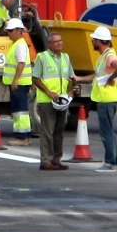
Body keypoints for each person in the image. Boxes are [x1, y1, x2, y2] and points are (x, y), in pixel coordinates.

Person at [30, 26, 76, 169]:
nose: (59, 44)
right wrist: (49, 92)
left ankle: (56, 159)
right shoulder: (42, 57)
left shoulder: (65, 57)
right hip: (47, 101)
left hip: (62, 101)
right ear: (49, 44)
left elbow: (71, 77)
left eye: (60, 41)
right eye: (56, 42)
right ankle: (46, 160)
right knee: (47, 132)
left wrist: (70, 92)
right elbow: (35, 78)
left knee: (59, 132)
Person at [88, 26, 117, 169]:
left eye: (94, 40)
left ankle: (111, 162)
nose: (92, 42)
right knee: (108, 131)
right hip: (106, 98)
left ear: (100, 41)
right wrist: (78, 78)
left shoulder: (109, 55)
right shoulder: (104, 56)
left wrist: (111, 78)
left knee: (106, 132)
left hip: (107, 99)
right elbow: (97, 76)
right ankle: (113, 161)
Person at [0, 16, 35, 137]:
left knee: (20, 111)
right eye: (8, 30)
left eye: (11, 31)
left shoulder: (20, 45)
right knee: (18, 110)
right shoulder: (16, 44)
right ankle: (22, 136)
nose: (9, 33)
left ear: (19, 31)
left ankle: (22, 137)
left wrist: (15, 80)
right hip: (20, 83)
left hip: (20, 84)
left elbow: (21, 63)